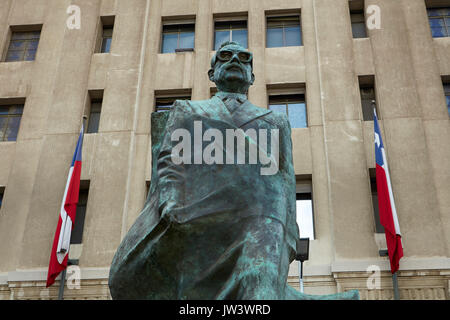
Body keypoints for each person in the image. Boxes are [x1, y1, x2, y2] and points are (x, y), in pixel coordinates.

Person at [108, 41, 358, 300]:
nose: (235, 60)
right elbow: (171, 162)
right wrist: (170, 202)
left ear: (252, 76)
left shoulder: (274, 121)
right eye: (225, 56)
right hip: (198, 216)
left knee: (260, 281)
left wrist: (290, 233)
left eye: (244, 58)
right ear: (212, 74)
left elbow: (284, 178)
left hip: (258, 218)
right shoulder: (188, 110)